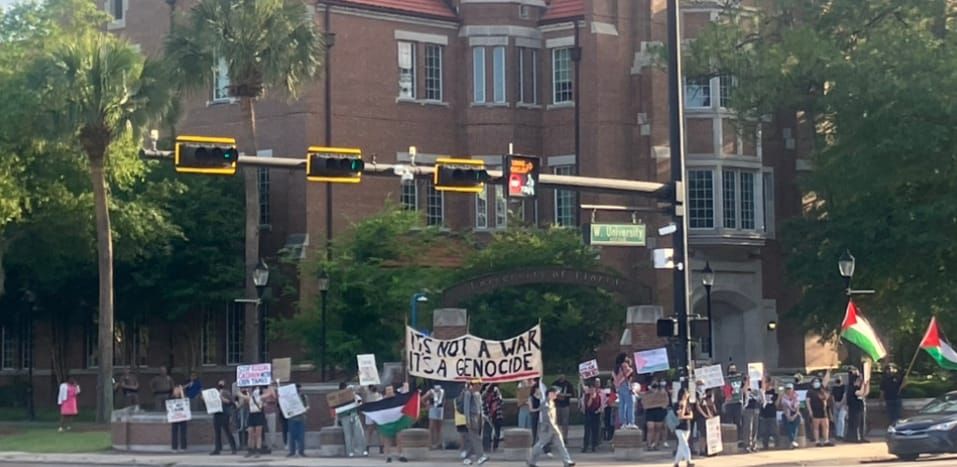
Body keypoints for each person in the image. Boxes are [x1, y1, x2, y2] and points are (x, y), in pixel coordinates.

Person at [528, 386, 575, 467]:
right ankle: (531, 461)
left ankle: (567, 461)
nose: (556, 395)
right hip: (547, 428)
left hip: (553, 427)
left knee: (561, 445)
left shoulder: (552, 402)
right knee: (540, 445)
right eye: (555, 393)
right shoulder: (545, 404)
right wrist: (555, 428)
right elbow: (548, 419)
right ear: (550, 393)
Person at [458, 379, 488, 465]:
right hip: (472, 417)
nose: (480, 386)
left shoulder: (478, 394)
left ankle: (467, 456)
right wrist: (467, 420)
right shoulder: (468, 393)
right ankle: (480, 456)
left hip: (478, 417)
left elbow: (480, 406)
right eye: (479, 384)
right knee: (476, 437)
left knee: (472, 438)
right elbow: (466, 408)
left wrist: (482, 416)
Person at [378, 385, 408, 463]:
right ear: (385, 392)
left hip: (397, 422)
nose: (389, 392)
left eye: (391, 390)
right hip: (387, 422)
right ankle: (388, 456)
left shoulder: (397, 398)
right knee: (387, 440)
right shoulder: (381, 401)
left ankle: (400, 455)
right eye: (388, 390)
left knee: (399, 438)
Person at [338, 383, 367, 457]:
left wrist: (355, 397)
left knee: (359, 433)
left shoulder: (356, 396)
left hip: (354, 415)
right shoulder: (340, 397)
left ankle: (362, 450)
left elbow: (360, 404)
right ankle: (350, 451)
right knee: (348, 435)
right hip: (345, 417)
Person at [209, 380, 238, 455]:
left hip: (224, 413)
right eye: (219, 383)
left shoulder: (226, 392)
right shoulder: (215, 393)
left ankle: (233, 448)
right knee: (217, 432)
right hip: (217, 413)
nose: (220, 384)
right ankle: (217, 449)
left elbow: (230, 402)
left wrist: (221, 398)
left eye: (221, 383)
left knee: (227, 431)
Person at [845, 366, 868, 443]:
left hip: (860, 406)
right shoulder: (852, 388)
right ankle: (855, 437)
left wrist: (867, 383)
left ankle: (862, 436)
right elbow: (860, 393)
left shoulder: (857, 386)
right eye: (858, 380)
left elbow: (865, 393)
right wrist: (863, 384)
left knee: (862, 423)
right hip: (854, 408)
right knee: (856, 423)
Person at [242, 386, 266, 457]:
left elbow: (270, 393)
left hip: (259, 414)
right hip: (251, 414)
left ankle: (258, 450)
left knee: (258, 434)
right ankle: (250, 449)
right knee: (250, 433)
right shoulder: (249, 395)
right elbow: (245, 399)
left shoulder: (261, 395)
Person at [613, 353, 636, 429]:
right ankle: (631, 422)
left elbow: (614, 378)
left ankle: (623, 423)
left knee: (622, 405)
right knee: (630, 405)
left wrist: (617, 384)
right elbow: (629, 371)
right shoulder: (624, 365)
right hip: (625, 386)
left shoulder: (616, 367)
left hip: (619, 388)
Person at [644, 381, 669, 450]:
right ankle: (649, 444)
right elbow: (644, 403)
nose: (654, 389)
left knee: (658, 429)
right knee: (650, 428)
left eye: (656, 387)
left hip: (659, 411)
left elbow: (666, 403)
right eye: (653, 387)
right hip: (650, 412)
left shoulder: (663, 394)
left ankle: (655, 444)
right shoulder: (647, 394)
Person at [808, 377, 833, 447]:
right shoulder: (810, 391)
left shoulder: (822, 390)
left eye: (817, 381)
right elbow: (808, 401)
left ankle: (826, 440)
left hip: (823, 410)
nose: (816, 383)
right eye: (815, 382)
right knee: (816, 427)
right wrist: (810, 411)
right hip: (815, 410)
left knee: (826, 426)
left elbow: (826, 397)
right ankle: (817, 441)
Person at [286, 383, 309, 458]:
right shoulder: (290, 398)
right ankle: (292, 452)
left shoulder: (303, 397)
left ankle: (301, 451)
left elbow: (308, 406)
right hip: (292, 418)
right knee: (292, 436)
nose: (297, 389)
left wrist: (304, 409)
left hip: (301, 418)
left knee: (301, 436)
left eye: (298, 388)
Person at [673, 388, 694, 467]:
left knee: (681, 446)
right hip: (679, 427)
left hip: (687, 426)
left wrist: (685, 415)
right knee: (685, 443)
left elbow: (691, 415)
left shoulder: (688, 404)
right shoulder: (677, 404)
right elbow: (680, 416)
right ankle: (689, 460)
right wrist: (683, 406)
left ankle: (676, 463)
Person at [692, 386, 715, 455]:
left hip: (708, 417)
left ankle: (707, 449)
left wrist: (710, 415)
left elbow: (709, 406)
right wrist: (704, 415)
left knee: (707, 434)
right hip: (700, 417)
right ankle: (701, 450)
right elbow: (698, 406)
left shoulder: (706, 397)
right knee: (702, 434)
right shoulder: (697, 395)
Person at [551, 375, 575, 441]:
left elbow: (572, 394)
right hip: (556, 405)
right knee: (556, 422)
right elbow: (550, 394)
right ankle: (557, 437)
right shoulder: (554, 384)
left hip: (565, 405)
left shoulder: (568, 384)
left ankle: (565, 437)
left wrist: (565, 395)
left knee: (565, 422)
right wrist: (557, 396)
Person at [723, 364, 744, 438]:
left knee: (738, 421)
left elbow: (744, 387)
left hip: (737, 402)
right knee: (729, 421)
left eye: (734, 369)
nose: (733, 370)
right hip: (729, 403)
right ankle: (730, 438)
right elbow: (725, 390)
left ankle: (739, 438)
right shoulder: (727, 379)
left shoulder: (739, 378)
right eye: (731, 369)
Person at [482, 383, 504, 453]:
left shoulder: (485, 393)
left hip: (491, 414)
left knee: (489, 431)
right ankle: (494, 447)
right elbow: (500, 401)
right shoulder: (494, 391)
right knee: (495, 431)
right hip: (494, 414)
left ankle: (488, 447)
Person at [758, 378, 779, 450]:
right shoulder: (762, 392)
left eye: (766, 383)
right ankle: (765, 445)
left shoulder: (774, 392)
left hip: (772, 413)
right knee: (764, 431)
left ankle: (777, 444)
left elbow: (776, 402)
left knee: (774, 430)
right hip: (764, 414)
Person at [742, 375, 761, 452]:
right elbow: (743, 391)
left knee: (755, 426)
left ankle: (754, 444)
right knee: (748, 426)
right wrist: (747, 381)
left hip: (756, 406)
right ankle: (747, 444)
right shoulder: (746, 383)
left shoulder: (758, 382)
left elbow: (762, 391)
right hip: (748, 407)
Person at [780, 383, 802, 449]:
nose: (789, 390)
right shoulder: (783, 397)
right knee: (788, 427)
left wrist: (794, 416)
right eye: (787, 389)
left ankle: (792, 441)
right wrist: (788, 417)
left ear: (792, 389)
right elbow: (785, 408)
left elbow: (798, 408)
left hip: (795, 414)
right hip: (786, 414)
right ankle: (793, 441)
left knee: (795, 427)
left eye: (790, 389)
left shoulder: (797, 396)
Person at [582, 382, 601, 453]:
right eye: (591, 389)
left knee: (595, 431)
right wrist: (591, 397)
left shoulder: (598, 396)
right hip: (588, 414)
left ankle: (594, 446)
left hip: (596, 414)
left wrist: (599, 409)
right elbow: (588, 405)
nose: (592, 390)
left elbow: (599, 405)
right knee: (587, 431)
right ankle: (585, 446)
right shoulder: (587, 396)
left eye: (593, 389)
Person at [425, 384, 446, 450]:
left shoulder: (443, 392)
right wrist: (427, 405)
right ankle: (430, 444)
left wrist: (443, 406)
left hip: (440, 408)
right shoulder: (430, 392)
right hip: (433, 408)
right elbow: (423, 398)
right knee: (431, 427)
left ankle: (439, 443)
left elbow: (444, 400)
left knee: (439, 427)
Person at [364, 385, 383, 455]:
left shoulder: (378, 396)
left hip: (373, 413)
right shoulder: (369, 394)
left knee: (376, 431)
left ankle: (379, 447)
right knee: (372, 431)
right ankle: (369, 447)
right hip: (372, 414)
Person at [262, 382, 280, 452]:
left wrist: (271, 389)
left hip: (271, 411)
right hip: (262, 412)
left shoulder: (272, 389)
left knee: (272, 428)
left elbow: (275, 398)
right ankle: (263, 444)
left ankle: (272, 443)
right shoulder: (260, 389)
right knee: (261, 429)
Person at [170, 384, 188, 452]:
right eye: (175, 390)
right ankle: (174, 447)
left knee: (183, 432)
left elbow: (184, 401)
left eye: (177, 390)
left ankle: (183, 447)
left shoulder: (182, 396)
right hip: (174, 417)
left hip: (182, 416)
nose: (176, 391)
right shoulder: (171, 398)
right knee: (174, 432)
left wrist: (181, 391)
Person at [830, 376, 847, 440]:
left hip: (843, 405)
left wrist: (840, 403)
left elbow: (844, 396)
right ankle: (837, 434)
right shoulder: (834, 388)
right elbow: (832, 397)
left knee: (841, 419)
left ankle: (841, 434)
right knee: (836, 420)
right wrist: (835, 403)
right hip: (836, 404)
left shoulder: (844, 387)